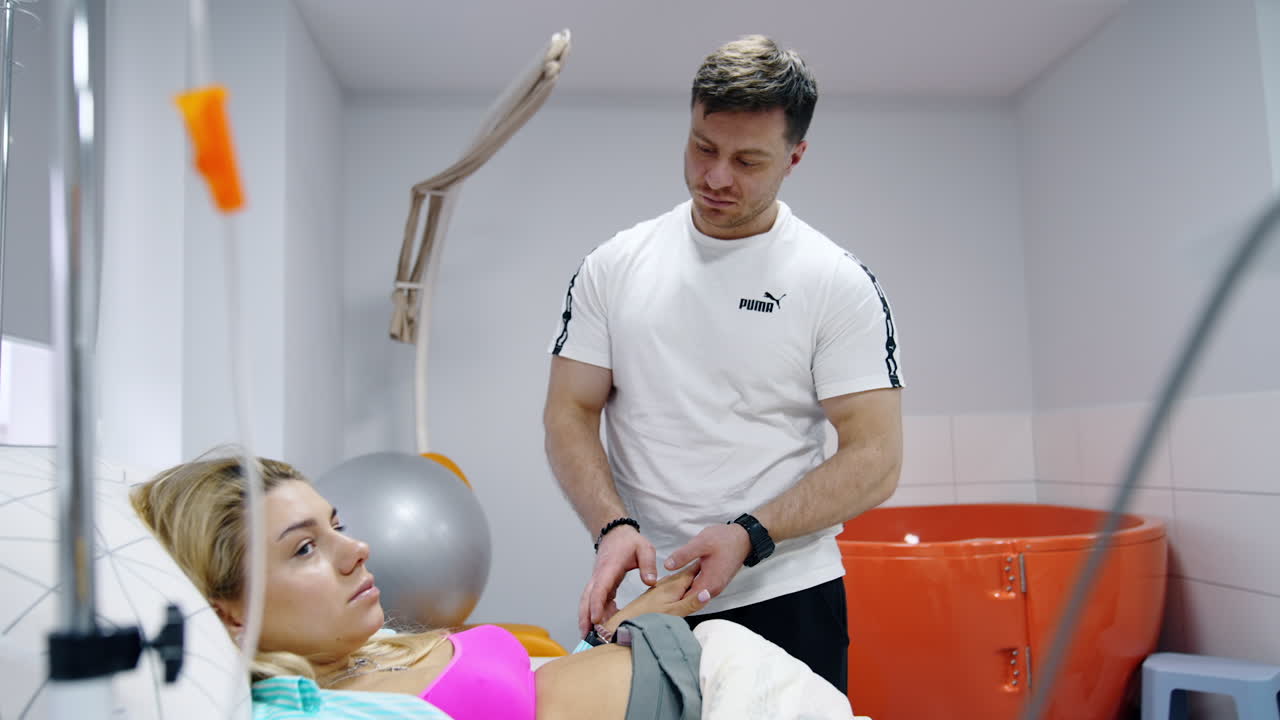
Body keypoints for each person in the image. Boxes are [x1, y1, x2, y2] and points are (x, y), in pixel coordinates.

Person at [543, 34, 904, 693]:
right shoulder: (613, 267)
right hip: (654, 598)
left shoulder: (836, 283)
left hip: (789, 591)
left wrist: (751, 534)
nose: (716, 177)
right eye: (704, 147)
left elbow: (876, 457)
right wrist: (612, 526)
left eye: (748, 161)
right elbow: (570, 410)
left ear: (795, 157)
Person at [129, 453, 717, 720]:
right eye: (305, 547)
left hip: (693, 670)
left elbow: (538, 693)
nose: (356, 548)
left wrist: (620, 626)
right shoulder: (302, 709)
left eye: (336, 526)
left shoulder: (369, 649)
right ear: (229, 613)